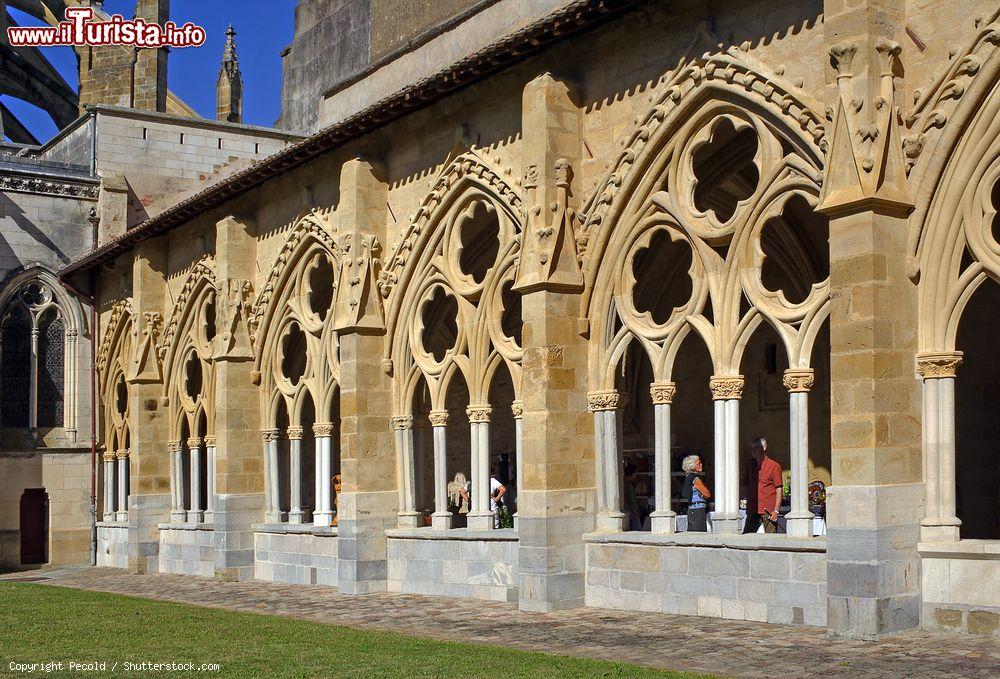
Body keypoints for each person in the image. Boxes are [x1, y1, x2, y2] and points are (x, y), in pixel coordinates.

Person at [741, 437, 783, 533]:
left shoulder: (774, 466)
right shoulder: (750, 465)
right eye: (752, 448)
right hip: (753, 508)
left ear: (764, 448)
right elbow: (744, 484)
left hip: (768, 510)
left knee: (770, 538)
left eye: (756, 447)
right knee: (747, 537)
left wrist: (776, 510)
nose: (753, 450)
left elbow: (779, 489)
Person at [680, 454, 711, 532]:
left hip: (691, 509)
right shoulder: (695, 478)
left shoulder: (688, 477)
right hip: (698, 509)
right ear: (692, 466)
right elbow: (707, 493)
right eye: (698, 463)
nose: (701, 465)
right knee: (699, 533)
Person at [623, 462, 641, 531]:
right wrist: (635, 511)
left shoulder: (623, 484)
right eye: (635, 473)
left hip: (626, 510)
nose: (636, 475)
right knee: (637, 530)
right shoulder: (629, 485)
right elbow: (631, 499)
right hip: (631, 511)